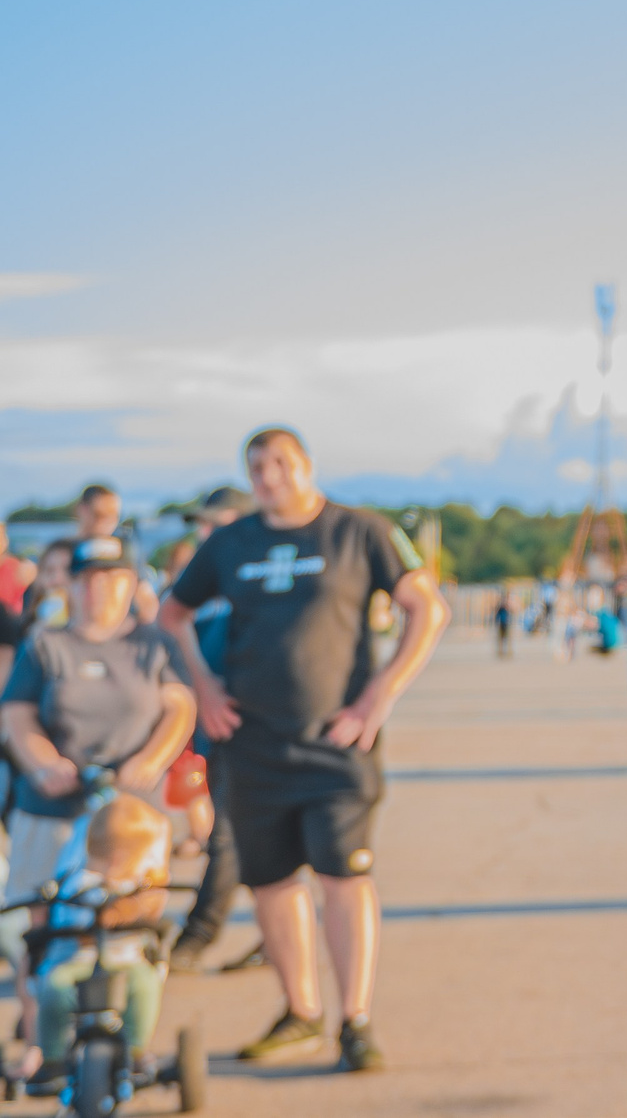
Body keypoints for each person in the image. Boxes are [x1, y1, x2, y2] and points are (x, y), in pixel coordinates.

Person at [159, 427, 450, 1073]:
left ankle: (355, 1020)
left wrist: (380, 693)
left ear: (307, 466)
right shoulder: (230, 542)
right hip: (251, 743)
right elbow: (171, 614)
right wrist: (203, 686)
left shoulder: (358, 531)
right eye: (256, 465)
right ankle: (301, 1010)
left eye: (281, 462)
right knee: (270, 881)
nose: (269, 475)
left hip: (336, 744)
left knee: (344, 876)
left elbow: (425, 608)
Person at [0, 536, 195, 1087]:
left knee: (130, 926)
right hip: (52, 808)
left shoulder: (154, 645)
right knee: (43, 929)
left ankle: (129, 1042)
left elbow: (180, 708)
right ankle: (45, 1045)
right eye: (88, 579)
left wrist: (151, 762)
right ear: (73, 585)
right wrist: (44, 764)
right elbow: (16, 714)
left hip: (129, 818)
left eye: (112, 578)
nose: (99, 590)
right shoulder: (47, 645)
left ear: (130, 584)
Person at [166, 485, 259, 974]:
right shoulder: (205, 585)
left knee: (225, 838)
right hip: (211, 732)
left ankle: (197, 937)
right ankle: (277, 935)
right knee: (258, 844)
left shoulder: (249, 581)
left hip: (246, 732)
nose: (204, 534)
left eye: (213, 523)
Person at [492, 585, 514, 659]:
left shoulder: (506, 606)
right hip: (502, 623)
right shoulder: (500, 606)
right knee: (501, 638)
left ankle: (506, 651)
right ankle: (501, 651)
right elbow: (496, 614)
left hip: (506, 623)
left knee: (506, 638)